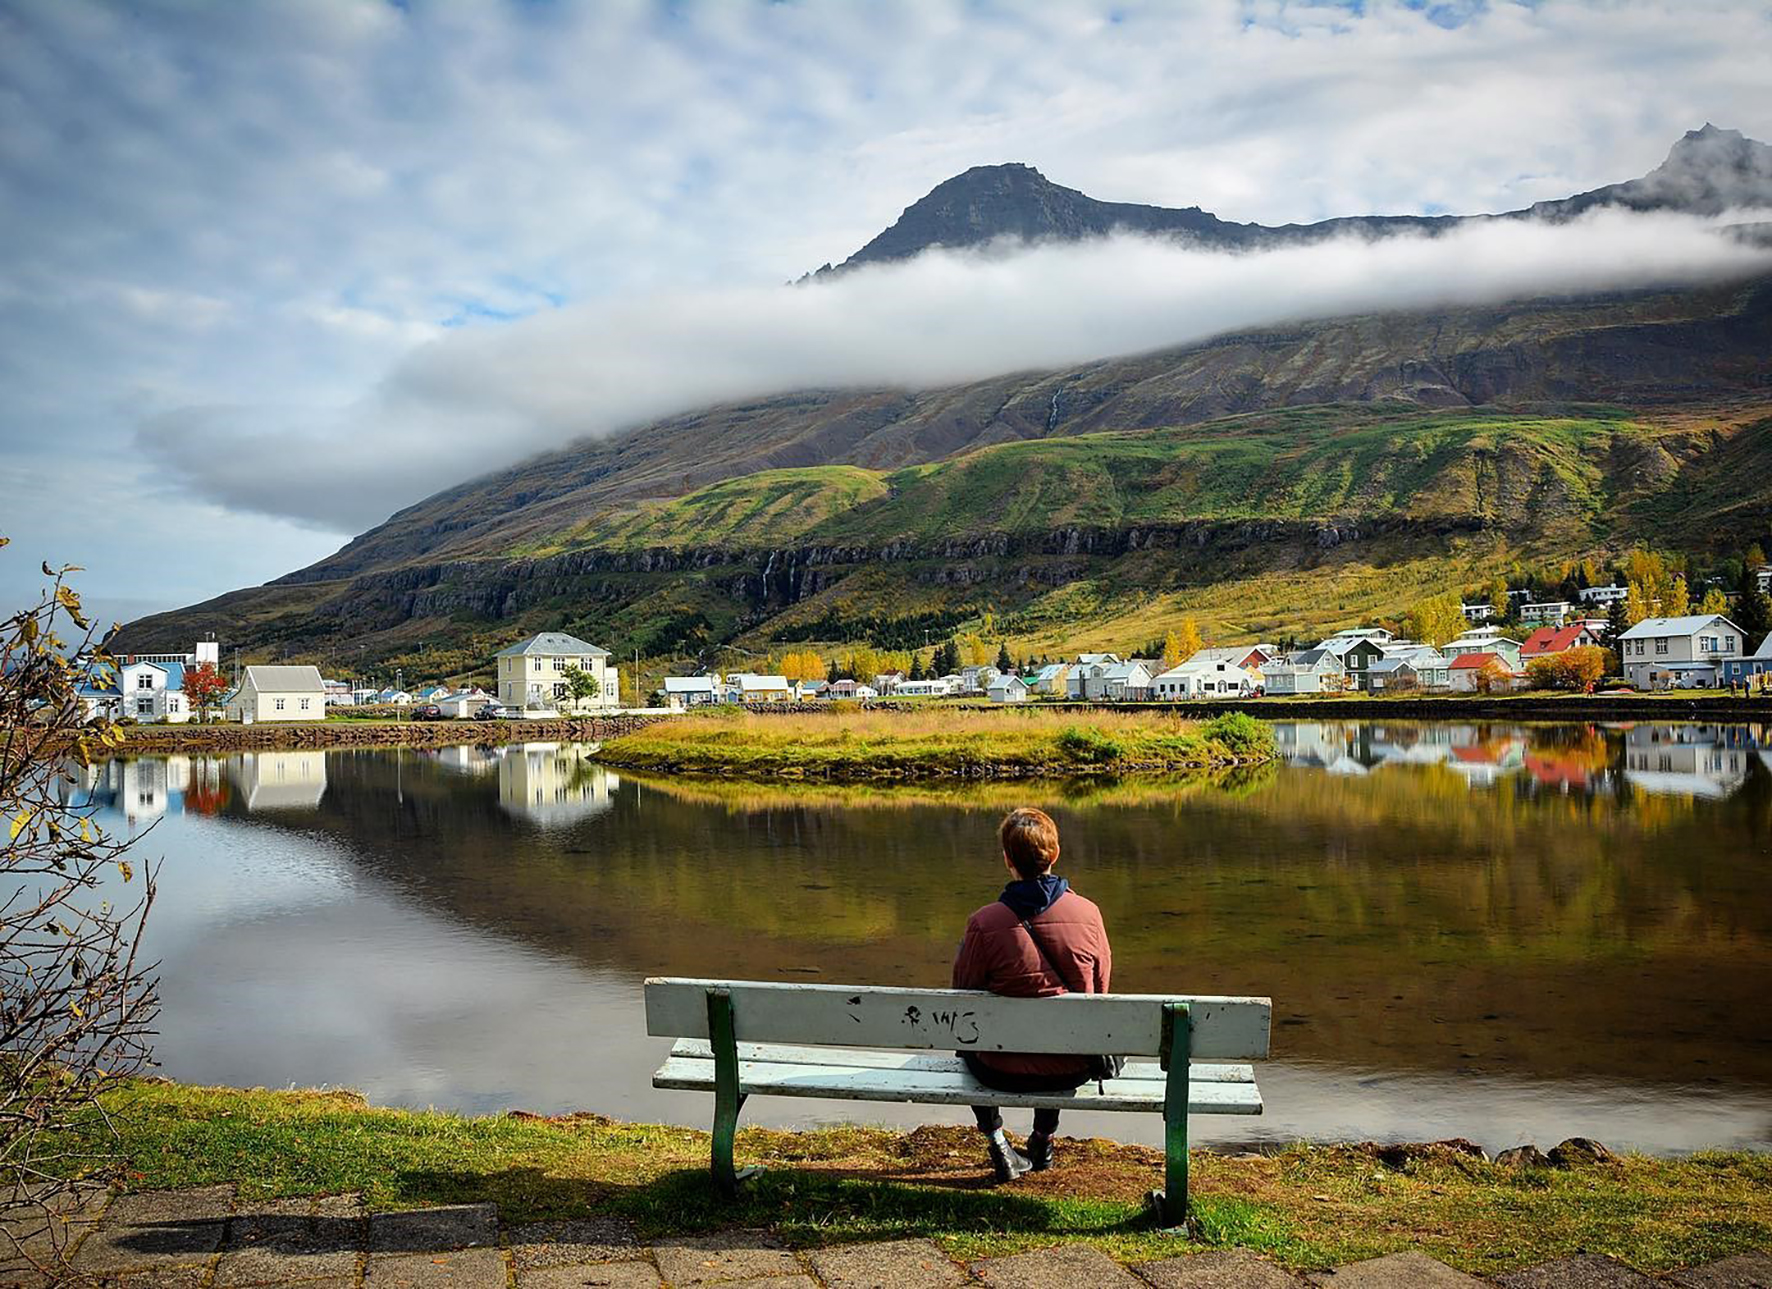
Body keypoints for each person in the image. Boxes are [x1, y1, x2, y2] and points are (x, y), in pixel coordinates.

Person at [952, 807, 1113, 1182]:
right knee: (1067, 1032)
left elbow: (962, 999)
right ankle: (1042, 1140)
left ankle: (997, 1142)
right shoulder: (1089, 914)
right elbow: (1102, 992)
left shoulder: (984, 922)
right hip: (1067, 1069)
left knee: (966, 1037)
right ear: (1054, 855)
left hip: (997, 1070)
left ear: (1008, 860)